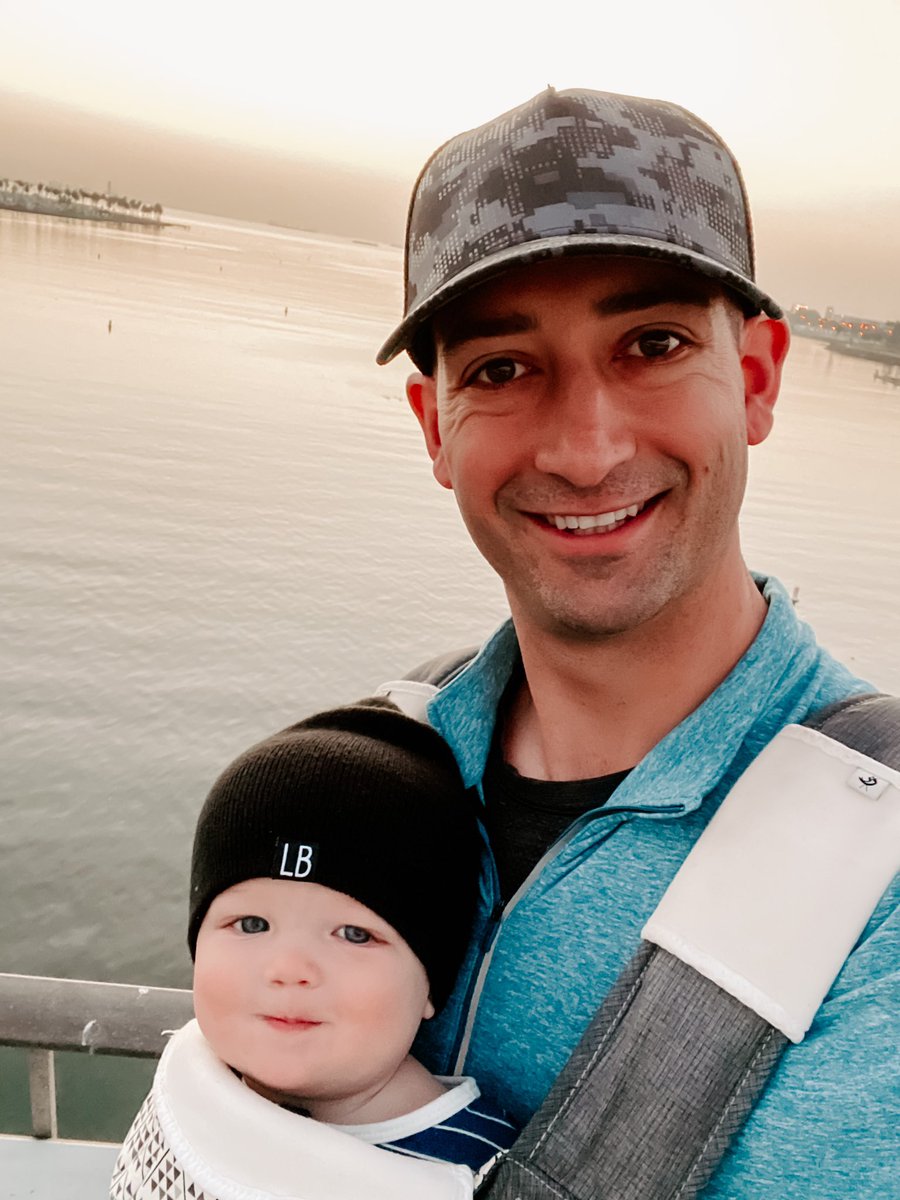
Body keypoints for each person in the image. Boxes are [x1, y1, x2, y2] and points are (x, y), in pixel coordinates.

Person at [374, 87, 899, 1198]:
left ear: (755, 379)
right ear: (435, 428)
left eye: (653, 345)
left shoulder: (883, 872)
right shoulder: (392, 746)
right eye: (501, 368)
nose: (586, 449)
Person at [110, 699, 518, 1200]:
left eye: (354, 934)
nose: (289, 968)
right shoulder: (194, 1080)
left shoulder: (482, 1169)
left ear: (432, 982)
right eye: (252, 924)